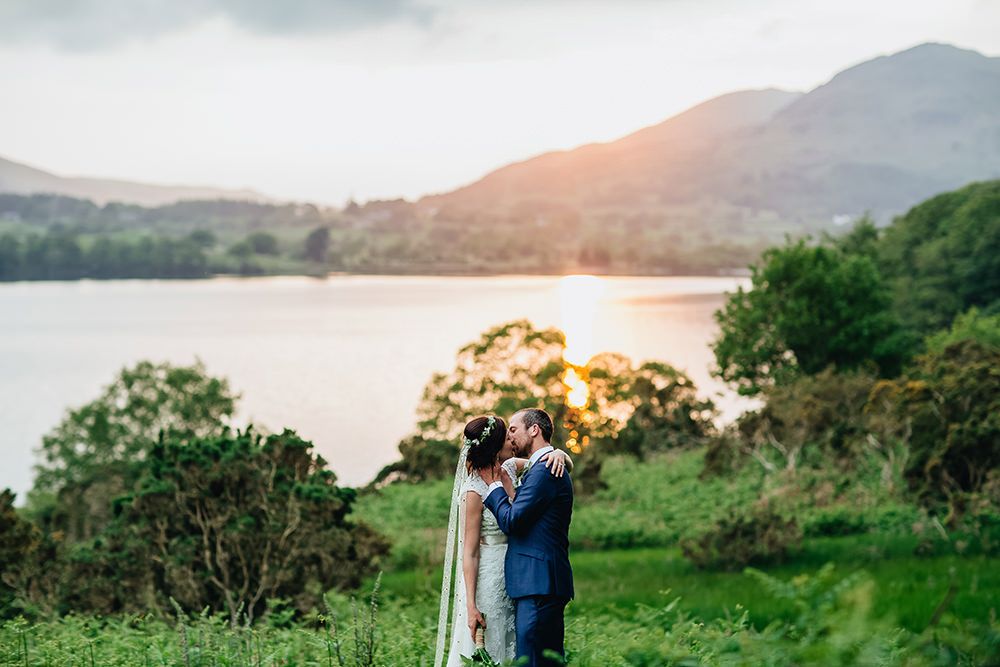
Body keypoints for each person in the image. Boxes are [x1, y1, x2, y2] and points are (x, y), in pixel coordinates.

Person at [435, 414, 572, 667]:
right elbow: (470, 553)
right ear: (496, 445)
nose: (511, 437)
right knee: (495, 646)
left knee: (521, 648)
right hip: (489, 579)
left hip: (517, 576)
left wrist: (561, 454)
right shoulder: (473, 491)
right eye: (507, 434)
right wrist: (471, 604)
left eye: (513, 431)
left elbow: (541, 464)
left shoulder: (510, 467)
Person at [481, 408, 574, 667]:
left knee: (532, 661)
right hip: (537, 582)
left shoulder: (544, 470)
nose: (509, 437)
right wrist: (562, 454)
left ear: (534, 430)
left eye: (513, 429)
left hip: (539, 582)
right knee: (544, 661)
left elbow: (513, 521)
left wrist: (493, 487)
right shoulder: (541, 466)